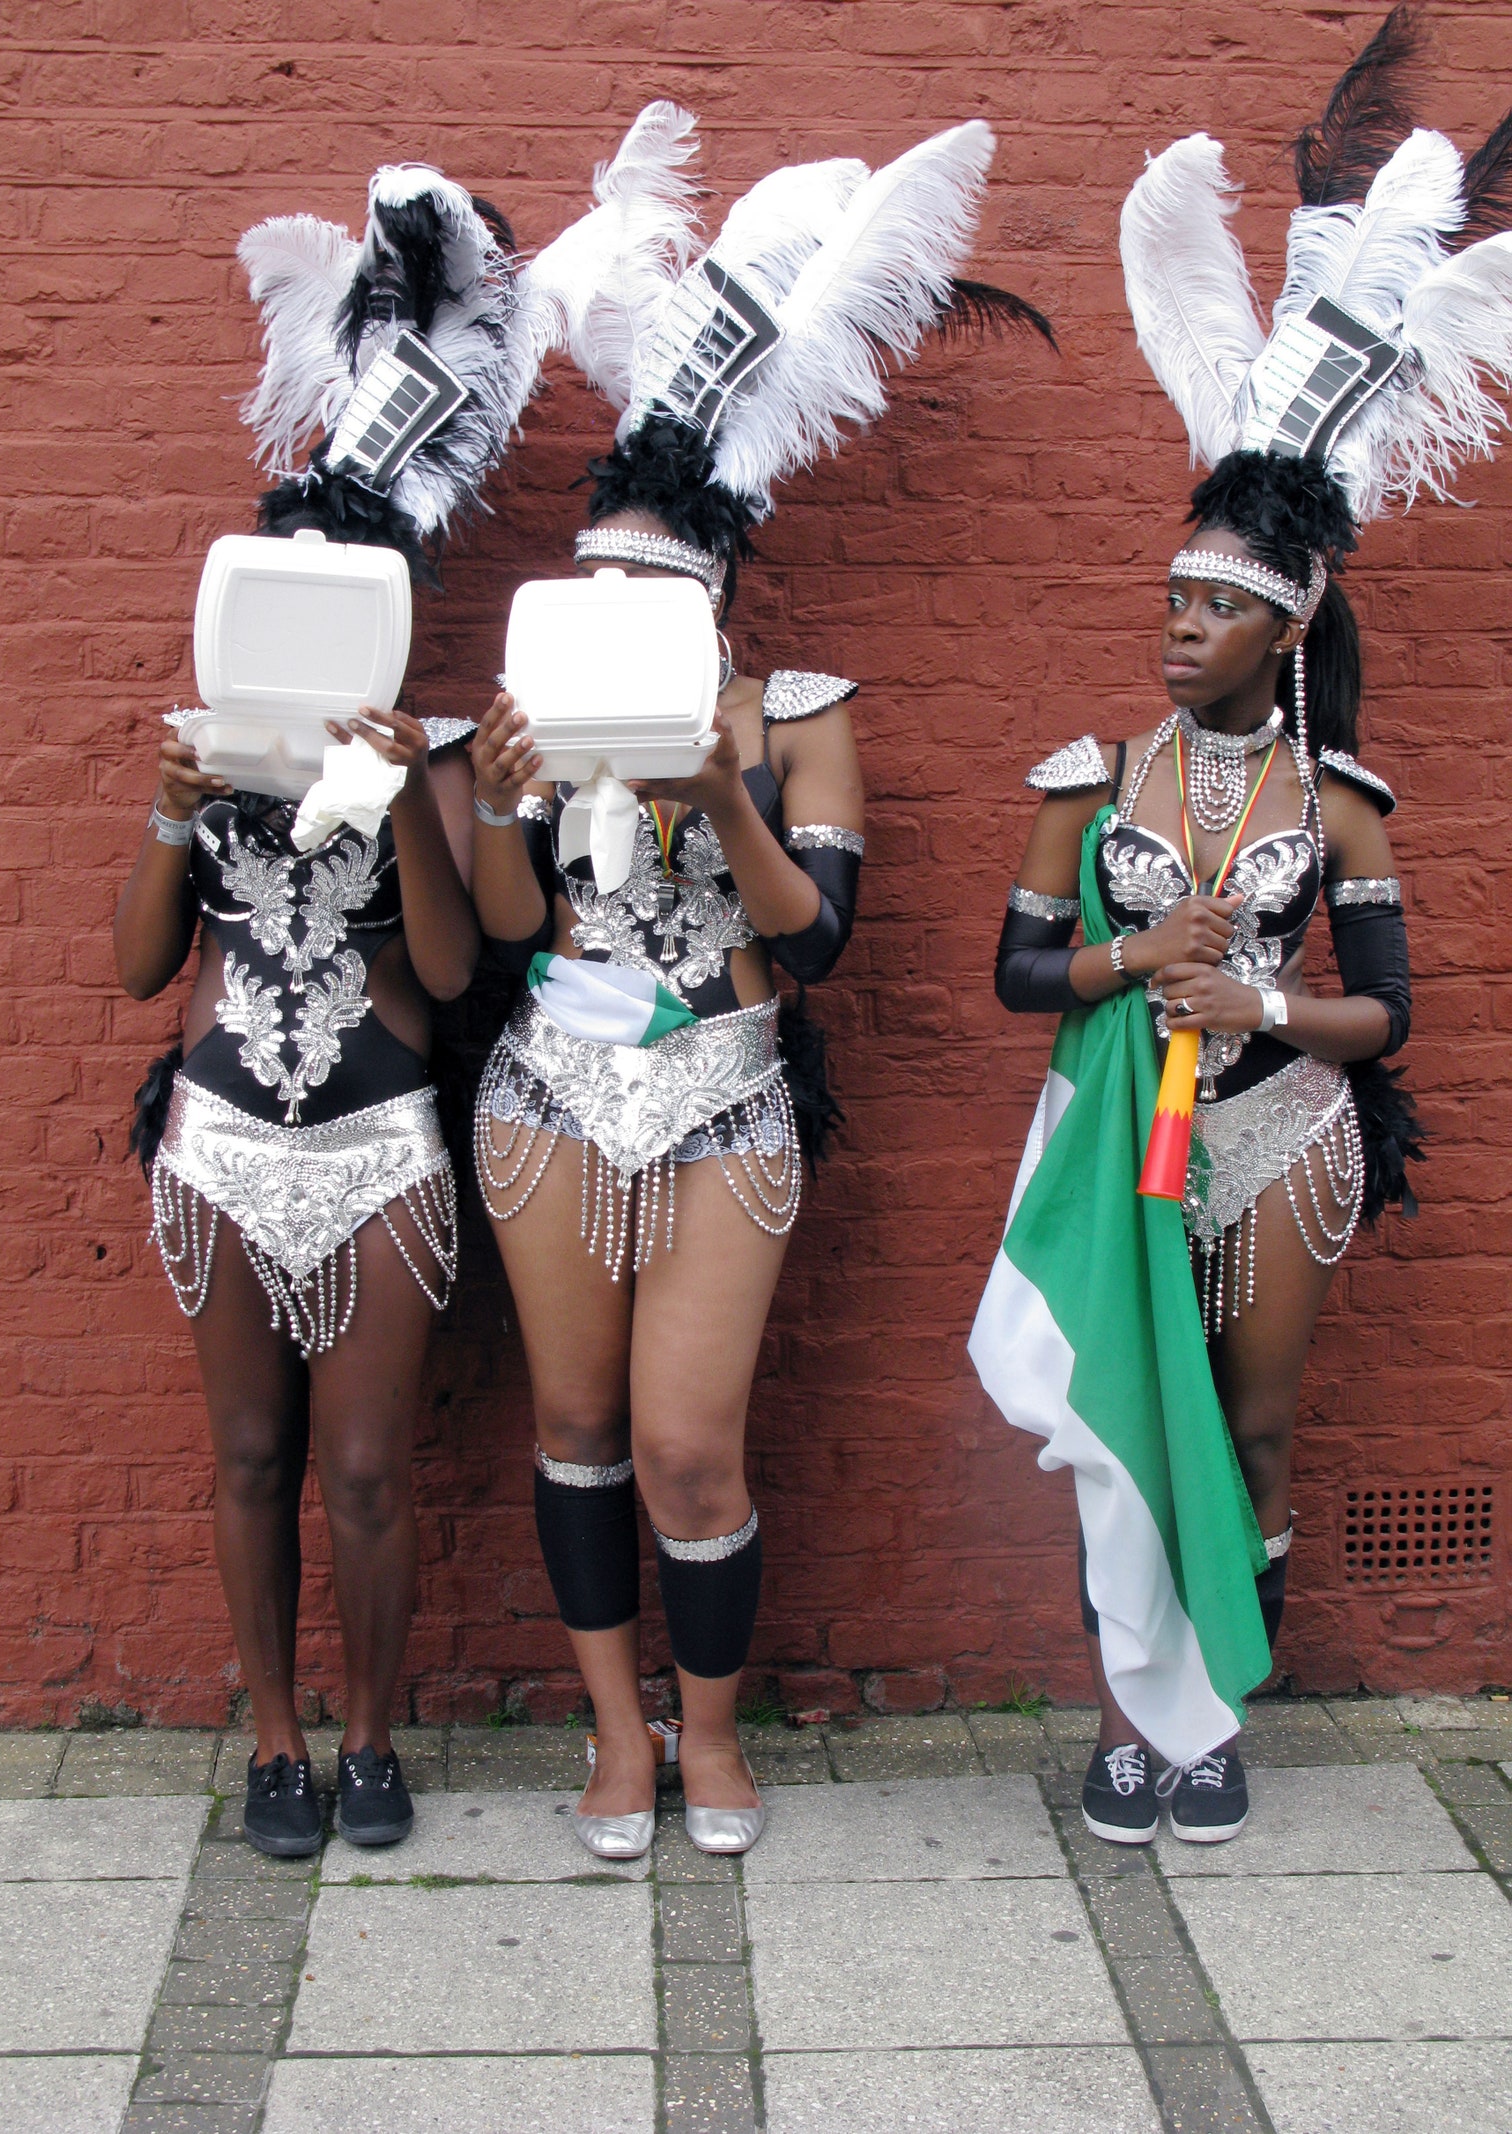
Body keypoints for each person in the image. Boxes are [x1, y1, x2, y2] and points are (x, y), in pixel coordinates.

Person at [469, 103, 1052, 1860]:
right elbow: (502, 932)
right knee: (574, 1424)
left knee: (684, 1446)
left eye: (661, 596)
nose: (623, 607)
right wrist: (506, 791)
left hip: (724, 1085)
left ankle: (711, 1732)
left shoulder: (796, 717)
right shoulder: (536, 698)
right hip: (550, 1083)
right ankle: (618, 1737)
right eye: (601, 586)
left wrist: (718, 779)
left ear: (716, 599)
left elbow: (817, 943)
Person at [972, 7, 1512, 1846]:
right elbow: (1015, 974)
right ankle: (1134, 1715)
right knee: (1131, 1433)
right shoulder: (1082, 782)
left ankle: (1216, 1724)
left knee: (1256, 1437)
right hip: (1121, 1135)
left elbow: (1397, 1018)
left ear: (1287, 629)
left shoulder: (1342, 803)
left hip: (1279, 1144)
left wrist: (1264, 1001)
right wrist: (1136, 964)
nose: (1179, 624)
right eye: (1171, 596)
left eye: (1217, 605)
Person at [114, 166, 540, 1857]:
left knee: (366, 1470)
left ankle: (369, 1737)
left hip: (375, 1141)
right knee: (246, 1455)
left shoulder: (422, 760)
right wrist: (166, 807)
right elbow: (146, 969)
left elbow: (446, 976)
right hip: (222, 1132)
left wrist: (391, 804)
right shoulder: (203, 751)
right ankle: (273, 1743)